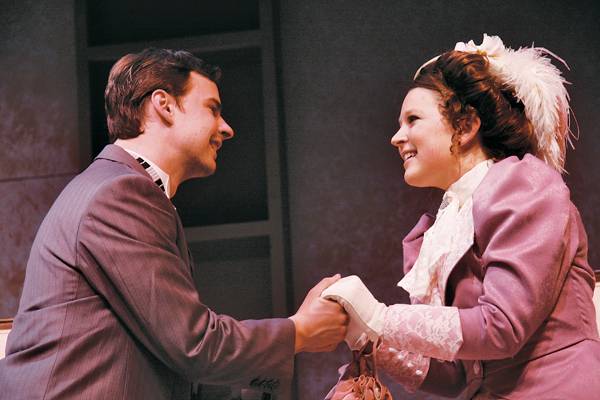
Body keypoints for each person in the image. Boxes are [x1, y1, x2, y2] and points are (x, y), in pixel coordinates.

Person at [0, 48, 347, 400]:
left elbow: (172, 365)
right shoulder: (120, 192)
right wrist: (299, 331)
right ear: (163, 105)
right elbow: (192, 344)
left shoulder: (120, 188)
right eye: (212, 108)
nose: (227, 128)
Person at [322, 34, 600, 399]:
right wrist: (372, 337)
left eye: (412, 119)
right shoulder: (441, 227)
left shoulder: (524, 185)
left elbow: (501, 328)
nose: (396, 137)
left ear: (466, 126)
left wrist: (382, 318)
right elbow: (459, 375)